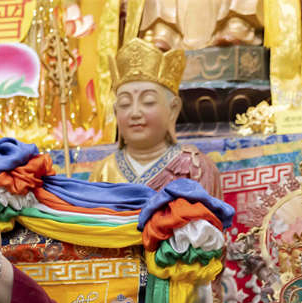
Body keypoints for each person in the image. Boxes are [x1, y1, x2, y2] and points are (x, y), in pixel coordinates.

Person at [90, 35, 221, 197]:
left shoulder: (195, 168)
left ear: (173, 109)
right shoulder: (103, 171)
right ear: (116, 111)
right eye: (125, 103)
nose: (135, 113)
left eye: (148, 101)